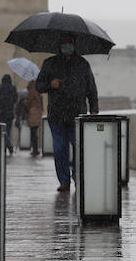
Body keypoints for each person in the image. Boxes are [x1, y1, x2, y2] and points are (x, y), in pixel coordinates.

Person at [34, 33, 98, 191]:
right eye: (63, 43)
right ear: (59, 45)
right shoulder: (50, 63)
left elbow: (91, 88)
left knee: (79, 148)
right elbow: (39, 86)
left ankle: (77, 176)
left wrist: (94, 109)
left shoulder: (82, 64)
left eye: (69, 43)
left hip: (77, 115)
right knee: (59, 149)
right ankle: (64, 180)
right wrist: (51, 84)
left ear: (74, 45)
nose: (66, 46)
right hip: (57, 115)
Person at [0, 74, 18, 154]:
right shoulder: (13, 88)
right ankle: (8, 145)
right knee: (8, 131)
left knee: (1, 130)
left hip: (1, 113)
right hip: (9, 113)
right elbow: (15, 99)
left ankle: (5, 145)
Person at [25, 81, 43, 157]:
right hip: (38, 114)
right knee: (35, 132)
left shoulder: (31, 93)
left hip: (32, 114)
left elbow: (28, 104)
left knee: (33, 133)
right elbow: (41, 105)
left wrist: (25, 103)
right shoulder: (38, 93)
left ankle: (35, 149)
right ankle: (35, 149)